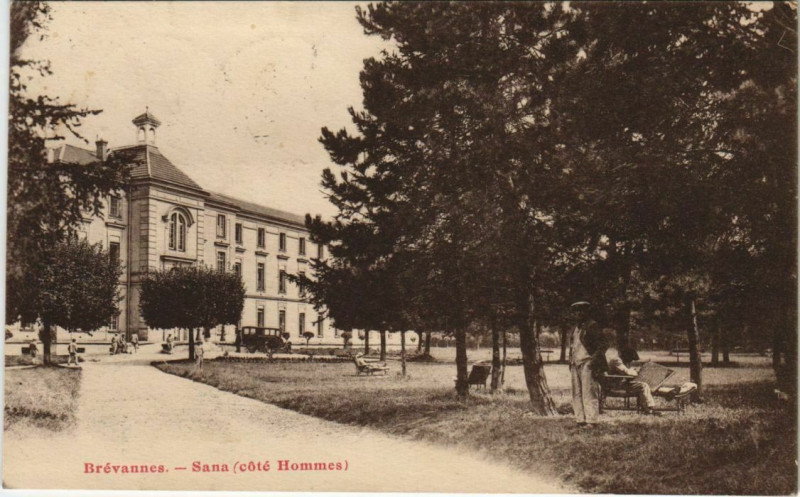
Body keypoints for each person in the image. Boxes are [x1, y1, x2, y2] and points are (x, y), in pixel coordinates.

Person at [568, 301, 602, 426]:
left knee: (589, 392)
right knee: (576, 393)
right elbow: (573, 346)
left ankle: (591, 421)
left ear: (586, 312)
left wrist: (593, 361)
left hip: (587, 362)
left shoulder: (593, 326)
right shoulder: (575, 328)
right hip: (575, 363)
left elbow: (602, 345)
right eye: (575, 311)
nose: (578, 314)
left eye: (581, 311)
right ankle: (580, 420)